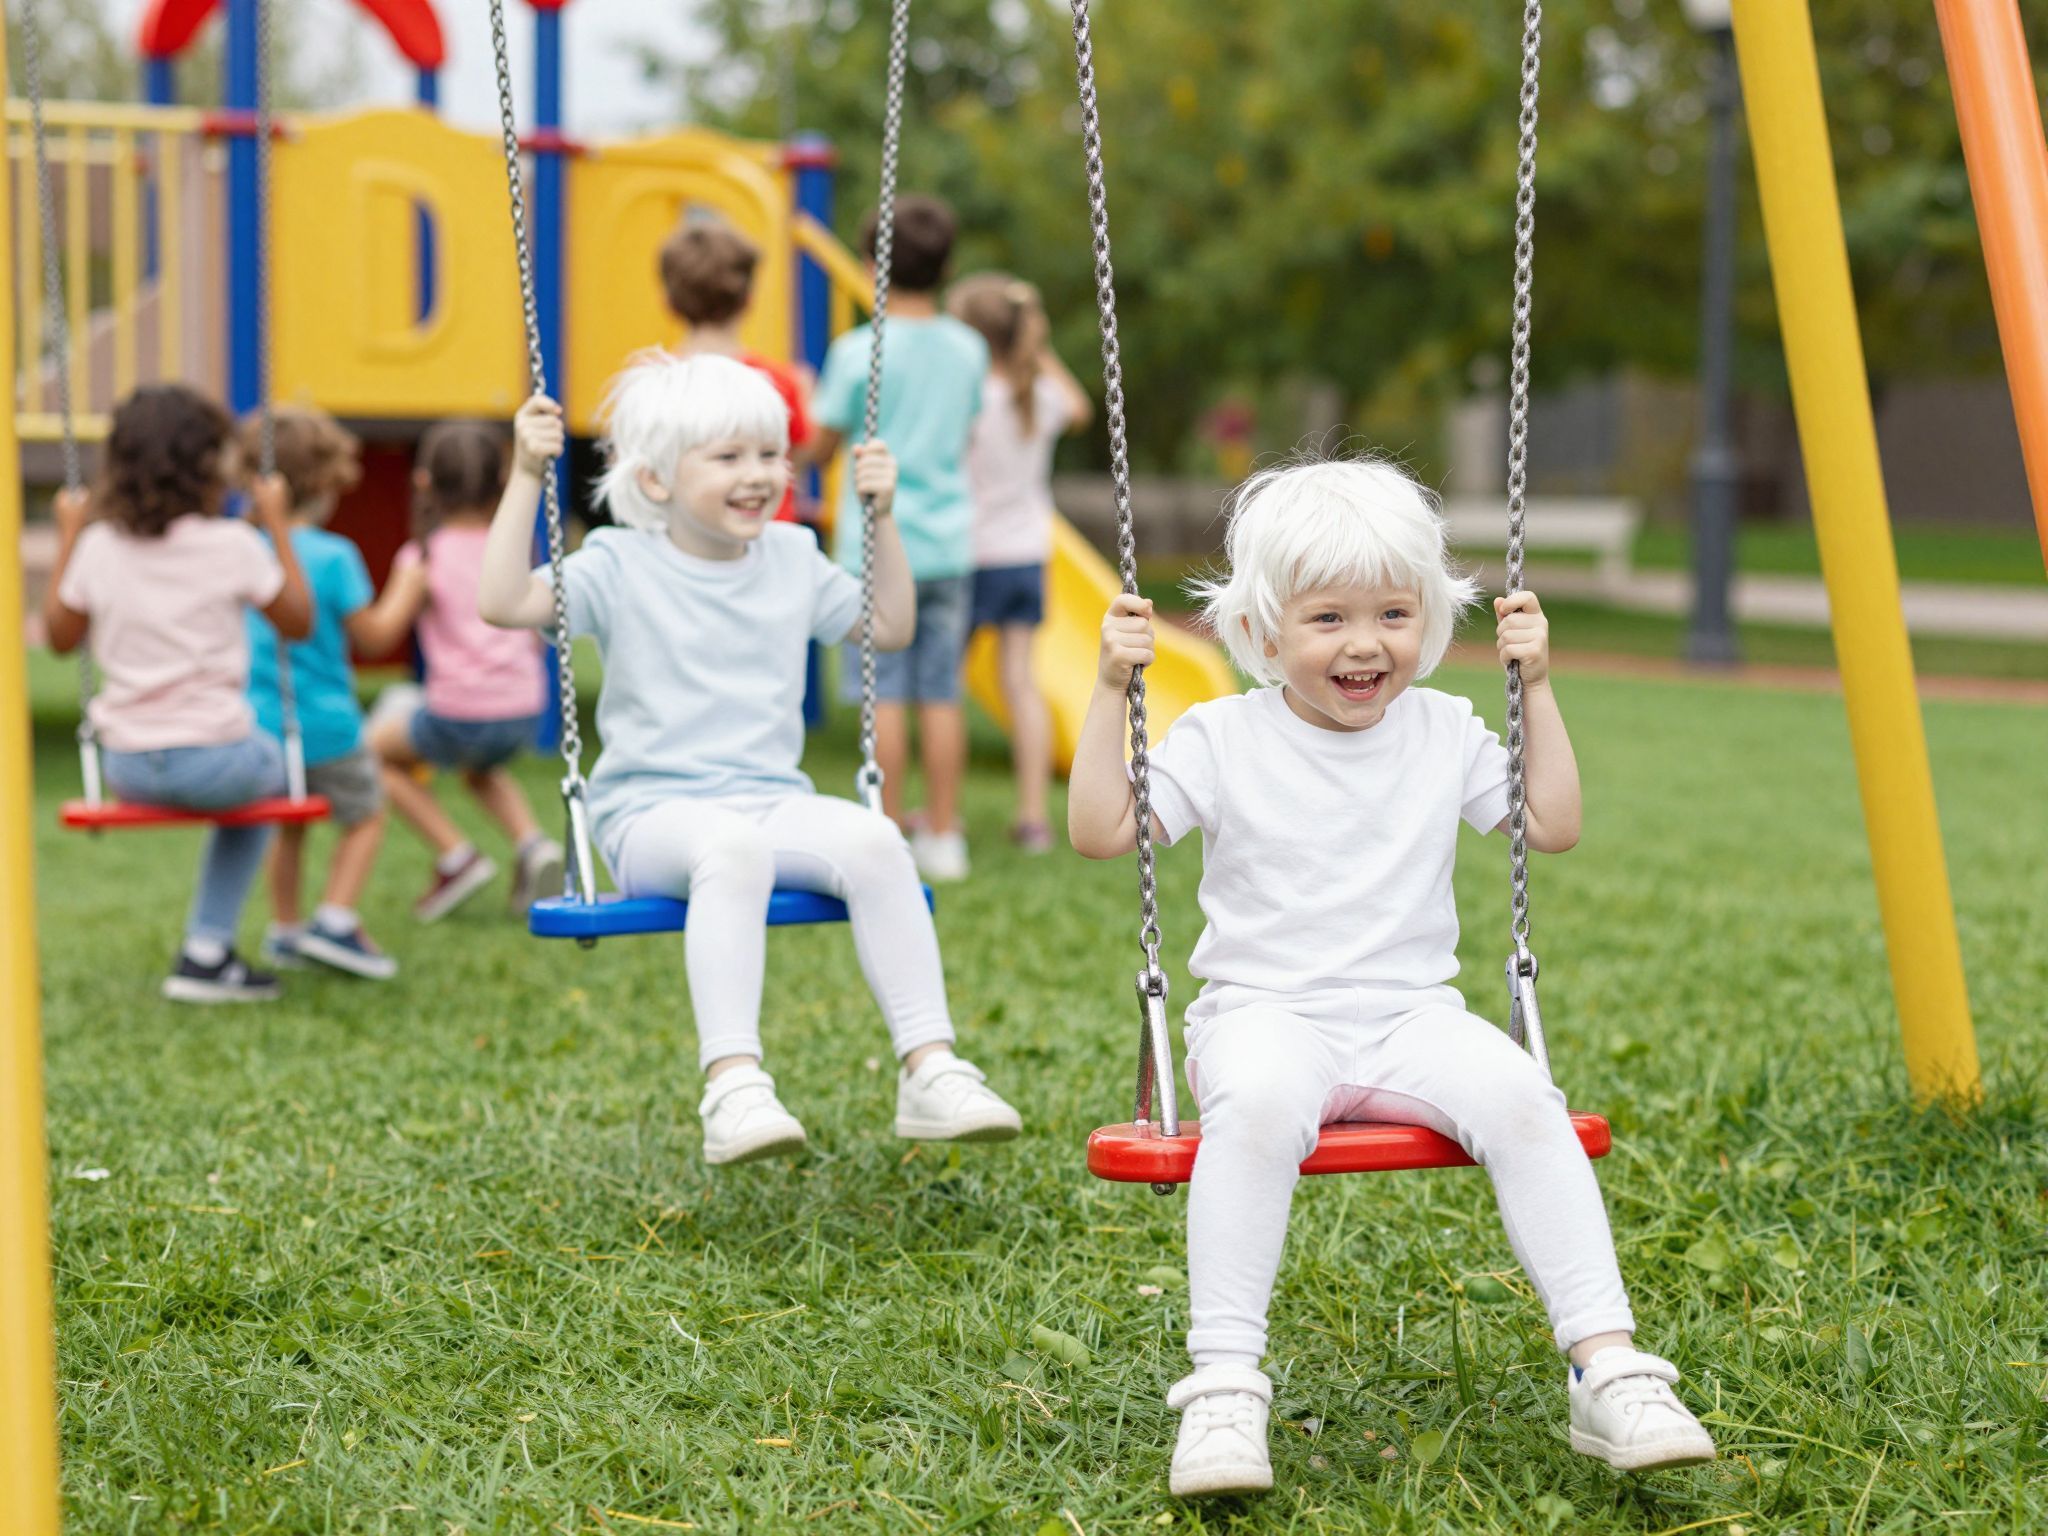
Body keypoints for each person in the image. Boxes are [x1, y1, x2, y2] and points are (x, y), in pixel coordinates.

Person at [1067, 457, 1716, 1496]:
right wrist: (1111, 693)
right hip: (1265, 1016)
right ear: (1262, 632)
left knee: (1520, 1095)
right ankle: (1225, 1386)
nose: (1364, 643)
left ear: (1429, 618)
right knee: (1262, 1104)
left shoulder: (1442, 729)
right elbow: (1103, 832)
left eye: (1392, 614)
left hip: (1413, 1018)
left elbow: (1549, 824)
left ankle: (1608, 1365)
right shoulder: (1222, 736)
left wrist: (1534, 688)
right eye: (1326, 618)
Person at [477, 353, 1022, 1166]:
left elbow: (889, 628)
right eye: (728, 458)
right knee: (731, 850)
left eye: (771, 455)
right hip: (652, 817)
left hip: (769, 799)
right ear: (657, 481)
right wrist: (526, 473)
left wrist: (882, 520)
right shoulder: (618, 564)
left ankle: (930, 1068)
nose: (759, 475)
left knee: (878, 842)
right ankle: (733, 1086)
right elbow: (502, 602)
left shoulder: (795, 556)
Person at [42, 384, 313, 1002]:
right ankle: (206, 948)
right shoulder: (232, 546)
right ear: (206, 467)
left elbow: (60, 639)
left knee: (248, 773)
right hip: (221, 762)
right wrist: (276, 523)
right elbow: (298, 621)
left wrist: (68, 534)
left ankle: (207, 953)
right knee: (271, 775)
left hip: (129, 765)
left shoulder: (99, 547)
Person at [803, 194, 987, 882]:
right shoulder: (968, 349)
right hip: (947, 542)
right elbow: (963, 432)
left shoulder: (858, 351)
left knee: (886, 694)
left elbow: (822, 442)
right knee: (941, 691)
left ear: (870, 263)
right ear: (946, 267)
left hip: (877, 546)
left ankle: (885, 828)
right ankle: (944, 833)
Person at [362, 421, 563, 920]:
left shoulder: (423, 557)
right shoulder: (515, 548)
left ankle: (457, 855)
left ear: (424, 483)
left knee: (368, 757)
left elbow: (383, 634)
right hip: (522, 707)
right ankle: (533, 844)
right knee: (480, 768)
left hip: (460, 711)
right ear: (500, 482)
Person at [238, 406, 396, 980]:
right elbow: (374, 637)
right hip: (329, 725)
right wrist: (406, 589)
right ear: (327, 485)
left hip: (258, 725)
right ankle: (334, 918)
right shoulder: (335, 556)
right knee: (367, 816)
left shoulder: (241, 548)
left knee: (290, 822)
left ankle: (285, 930)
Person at [947, 272, 1092, 853]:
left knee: (943, 687)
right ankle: (1032, 816)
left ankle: (945, 812)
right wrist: (1039, 347)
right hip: (1026, 554)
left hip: (967, 552)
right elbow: (1082, 406)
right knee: (1019, 683)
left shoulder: (966, 400)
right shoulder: (1041, 396)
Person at [658, 218, 813, 523]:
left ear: (669, 303)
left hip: (684, 538)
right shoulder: (778, 381)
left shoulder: (653, 380)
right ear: (749, 301)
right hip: (765, 531)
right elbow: (800, 457)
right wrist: (808, 396)